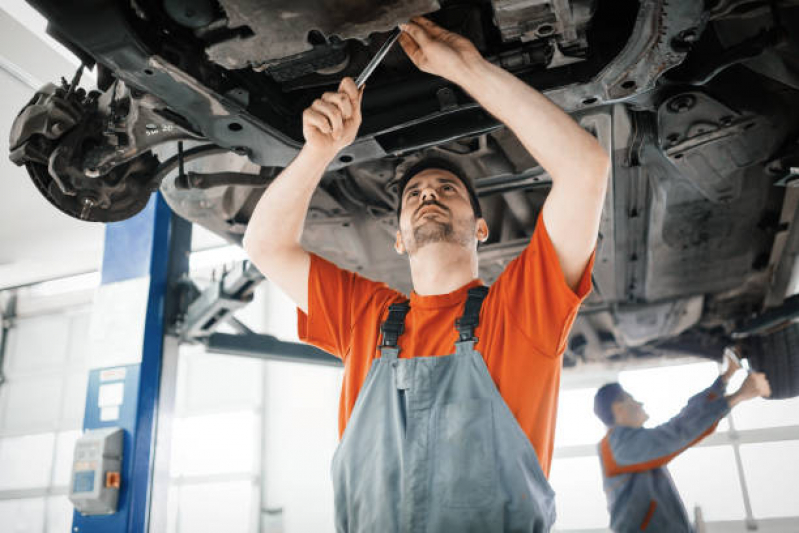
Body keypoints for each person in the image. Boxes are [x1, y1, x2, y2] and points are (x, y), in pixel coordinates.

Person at [244, 16, 610, 532]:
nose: (428, 196)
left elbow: (585, 169)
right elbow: (265, 245)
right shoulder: (366, 317)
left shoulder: (521, 312)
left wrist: (467, 68)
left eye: (447, 190)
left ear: (481, 228)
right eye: (413, 196)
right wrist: (319, 151)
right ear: (398, 239)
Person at [593, 352, 772, 533]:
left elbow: (682, 423)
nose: (640, 403)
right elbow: (678, 434)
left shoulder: (626, 446)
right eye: (632, 398)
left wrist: (725, 379)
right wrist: (737, 396)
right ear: (619, 408)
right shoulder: (618, 449)